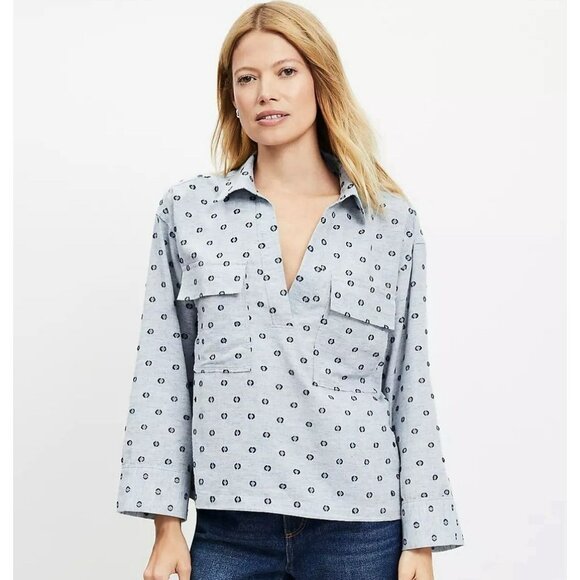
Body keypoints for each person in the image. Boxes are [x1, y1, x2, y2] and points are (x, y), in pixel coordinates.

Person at [115, 2, 465, 579]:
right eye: (246, 78)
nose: (265, 93)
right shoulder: (190, 210)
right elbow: (163, 368)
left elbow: (410, 379)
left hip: (363, 528)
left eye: (285, 72)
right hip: (230, 526)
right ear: (231, 97)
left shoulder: (389, 221)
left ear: (320, 81)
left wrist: (422, 541)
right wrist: (165, 523)